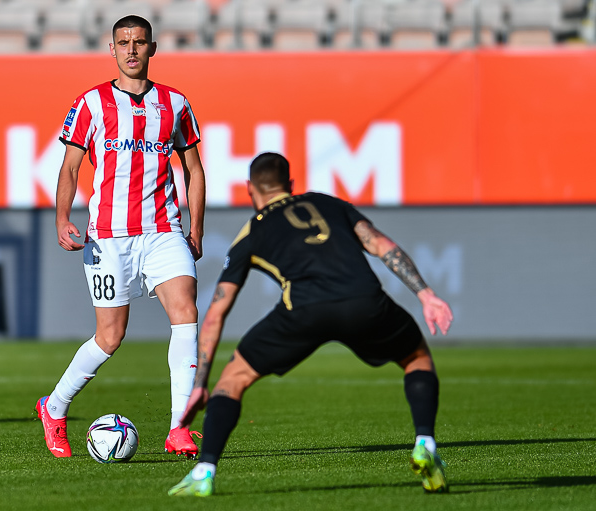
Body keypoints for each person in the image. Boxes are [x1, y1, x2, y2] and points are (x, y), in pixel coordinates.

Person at [168, 152, 453, 497]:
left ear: (250, 189)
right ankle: (425, 443)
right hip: (364, 301)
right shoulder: (327, 203)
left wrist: (201, 383)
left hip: (303, 311)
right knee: (417, 357)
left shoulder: (253, 229)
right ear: (290, 184)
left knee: (233, 380)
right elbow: (382, 245)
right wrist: (425, 294)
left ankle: (204, 472)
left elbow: (217, 310)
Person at [36, 15, 206, 459]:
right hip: (109, 236)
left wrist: (196, 228)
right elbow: (70, 167)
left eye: (140, 42)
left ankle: (179, 427)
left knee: (186, 313)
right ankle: (54, 407)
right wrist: (61, 218)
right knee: (110, 337)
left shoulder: (175, 104)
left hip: (163, 229)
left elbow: (193, 169)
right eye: (124, 42)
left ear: (152, 48)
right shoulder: (91, 103)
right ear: (111, 49)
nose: (132, 49)